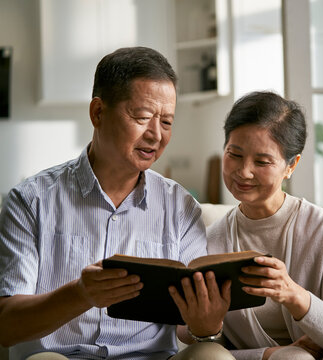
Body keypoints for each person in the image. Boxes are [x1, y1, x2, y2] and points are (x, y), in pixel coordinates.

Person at [0, 47, 233, 360]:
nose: (156, 135)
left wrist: (205, 326)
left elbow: (187, 330)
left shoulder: (180, 205)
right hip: (62, 357)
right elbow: (6, 325)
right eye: (142, 117)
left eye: (166, 122)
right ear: (98, 112)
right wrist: (81, 294)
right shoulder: (30, 200)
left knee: (212, 354)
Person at [203, 91, 323, 360]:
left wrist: (293, 294)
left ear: (291, 165)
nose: (244, 171)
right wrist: (271, 353)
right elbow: (204, 343)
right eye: (234, 154)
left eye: (262, 161)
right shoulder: (211, 241)